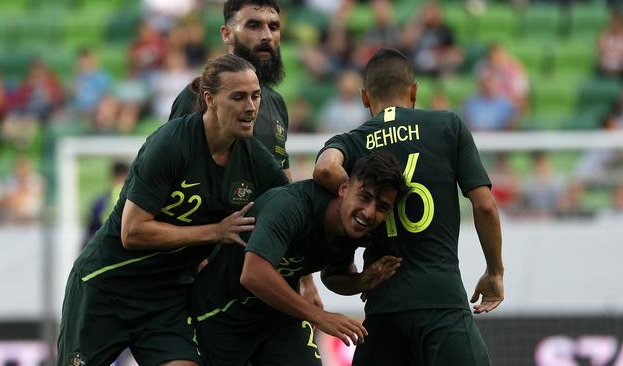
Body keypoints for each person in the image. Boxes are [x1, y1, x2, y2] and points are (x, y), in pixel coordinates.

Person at [57, 53, 289, 366]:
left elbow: (293, 208)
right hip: (108, 289)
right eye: (238, 97)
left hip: (166, 301)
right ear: (210, 99)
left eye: (255, 96)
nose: (250, 107)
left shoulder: (256, 160)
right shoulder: (171, 143)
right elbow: (133, 231)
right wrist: (215, 232)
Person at [314, 48, 504, 366]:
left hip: (384, 308)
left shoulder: (352, 141)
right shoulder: (448, 126)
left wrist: (355, 193)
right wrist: (494, 272)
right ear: (414, 91)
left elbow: (323, 169)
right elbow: (484, 206)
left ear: (364, 97)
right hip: (440, 301)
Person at [167, 0, 323, 308]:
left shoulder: (276, 103)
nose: (266, 35)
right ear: (227, 34)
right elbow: (172, 182)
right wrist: (195, 255)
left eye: (273, 27)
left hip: (267, 265)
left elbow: (284, 191)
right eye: (253, 25)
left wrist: (305, 277)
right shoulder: (197, 96)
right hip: (208, 271)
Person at [189, 152, 409, 366]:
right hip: (221, 311)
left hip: (278, 316)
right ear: (343, 188)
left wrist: (361, 281)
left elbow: (332, 276)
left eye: (382, 207)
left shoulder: (353, 230)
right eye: (365, 197)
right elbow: (253, 274)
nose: (369, 213)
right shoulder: (292, 206)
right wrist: (320, 316)